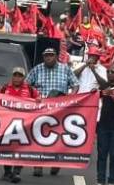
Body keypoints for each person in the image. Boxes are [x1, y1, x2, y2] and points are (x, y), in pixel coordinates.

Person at [26, 48, 79, 176]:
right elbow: (26, 84)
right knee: (39, 135)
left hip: (60, 108)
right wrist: (33, 95)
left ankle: (55, 162)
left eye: (51, 55)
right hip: (41, 107)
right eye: (46, 56)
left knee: (57, 135)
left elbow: (75, 84)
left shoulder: (65, 69)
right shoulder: (37, 69)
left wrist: (71, 97)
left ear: (56, 56)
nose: (48, 58)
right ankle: (38, 165)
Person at [0, 66, 39, 184]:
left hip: (24, 123)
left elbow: (39, 101)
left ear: (24, 77)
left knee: (22, 147)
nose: (17, 78)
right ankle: (7, 171)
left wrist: (38, 102)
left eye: (20, 76)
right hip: (7, 122)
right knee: (6, 147)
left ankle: (17, 172)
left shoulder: (30, 90)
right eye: (15, 75)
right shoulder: (4, 88)